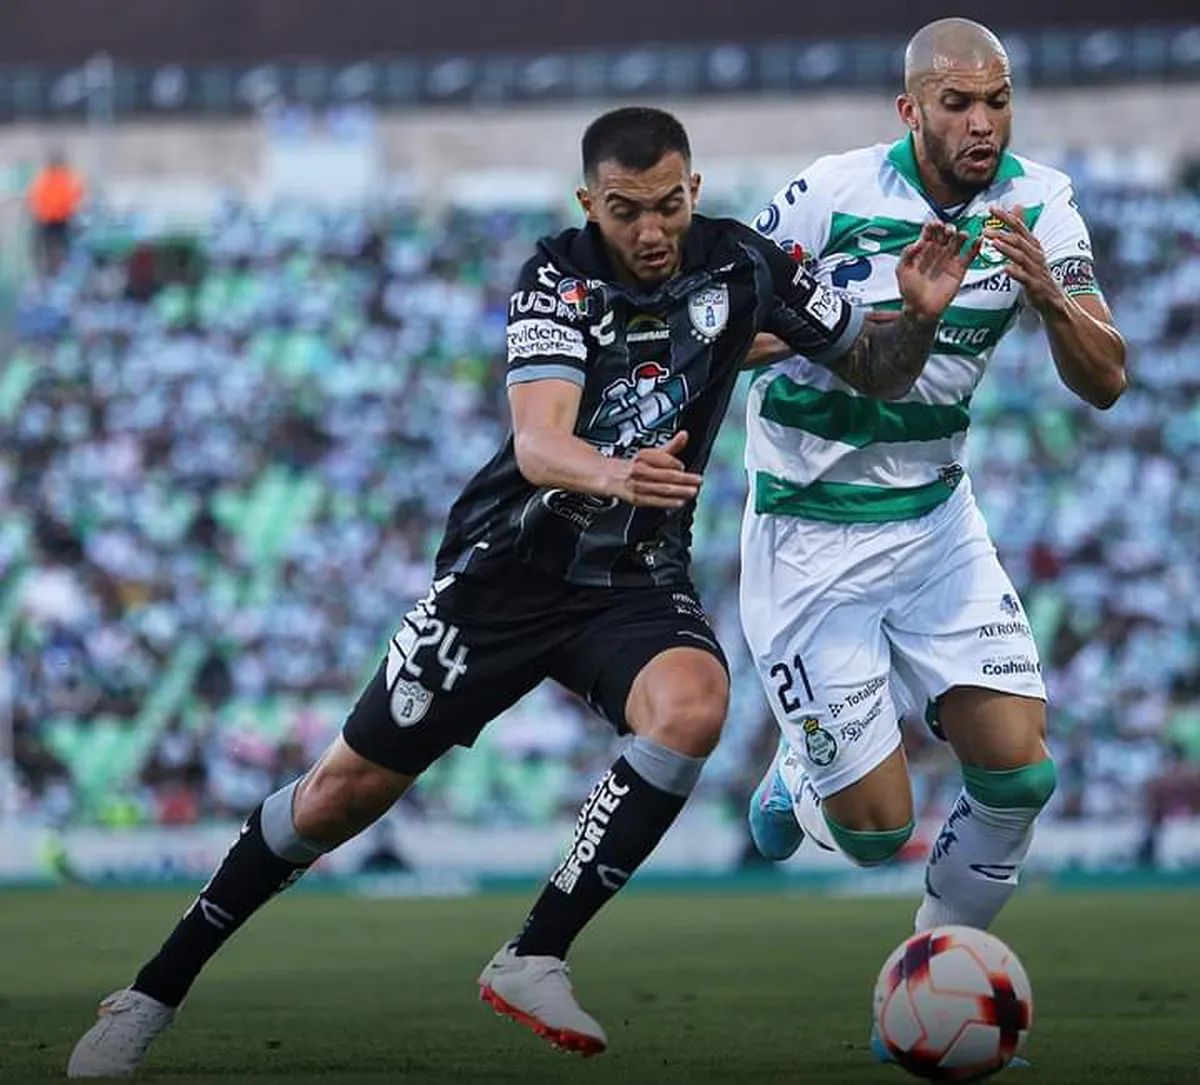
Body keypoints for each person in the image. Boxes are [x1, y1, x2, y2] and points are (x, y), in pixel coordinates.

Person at [67, 105, 977, 1078]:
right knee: (334, 799)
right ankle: (149, 993)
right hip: (504, 575)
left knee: (694, 703)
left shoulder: (745, 266)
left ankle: (535, 951)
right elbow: (539, 441)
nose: (652, 230)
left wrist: (916, 316)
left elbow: (876, 368)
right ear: (591, 201)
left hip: (631, 582)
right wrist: (621, 473)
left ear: (695, 190)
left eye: (669, 204)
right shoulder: (556, 275)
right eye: (626, 210)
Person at [742, 18, 1126, 945]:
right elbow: (718, 330)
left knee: (1022, 775)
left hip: (934, 518)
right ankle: (803, 767)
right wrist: (852, 323)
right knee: (875, 836)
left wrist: (1049, 295)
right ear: (911, 109)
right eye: (958, 104)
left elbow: (1107, 377)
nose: (982, 123)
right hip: (809, 528)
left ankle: (935, 967)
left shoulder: (1042, 203)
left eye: (997, 101)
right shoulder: (827, 194)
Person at [26, 151, 85, 275]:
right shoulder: (56, 178)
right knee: (56, 248)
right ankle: (57, 269)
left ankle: (56, 269)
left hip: (55, 220)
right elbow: (76, 195)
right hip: (55, 220)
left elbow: (34, 199)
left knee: (56, 248)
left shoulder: (47, 179)